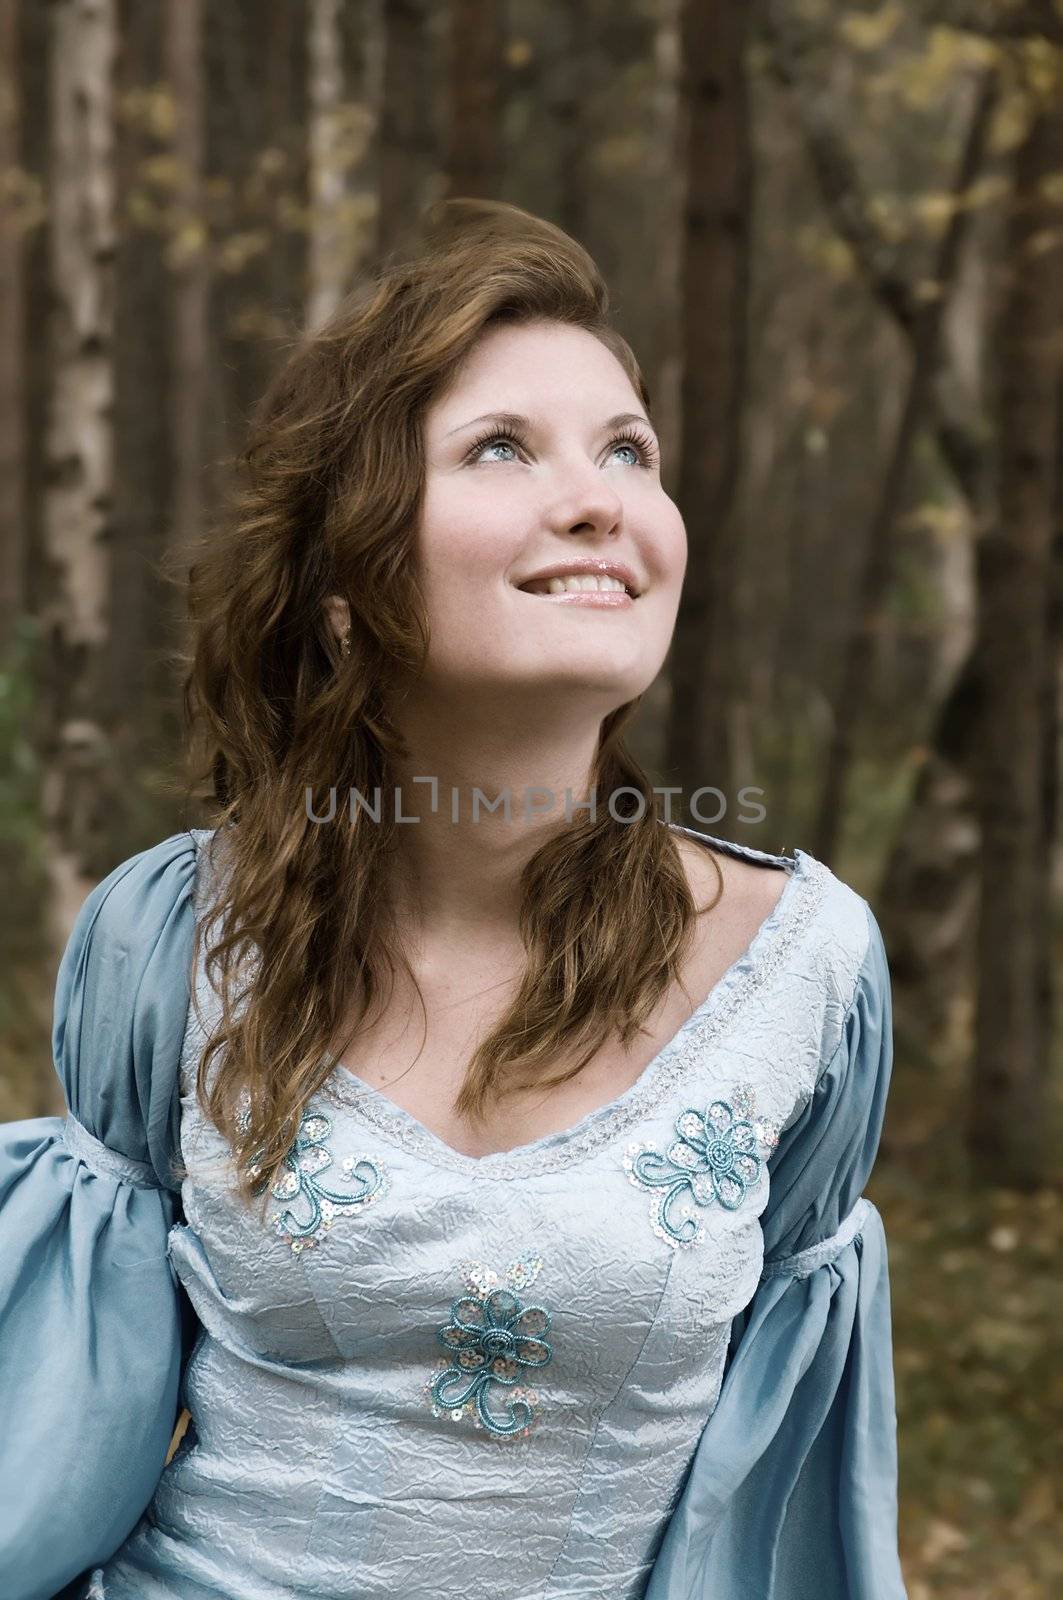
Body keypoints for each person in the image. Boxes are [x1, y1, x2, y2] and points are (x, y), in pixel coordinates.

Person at [0, 199, 908, 1599]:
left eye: (629, 451)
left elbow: (779, 1510)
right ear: (351, 578)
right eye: (502, 449)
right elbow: (50, 1435)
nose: (602, 497)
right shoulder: (175, 939)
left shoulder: (804, 972)